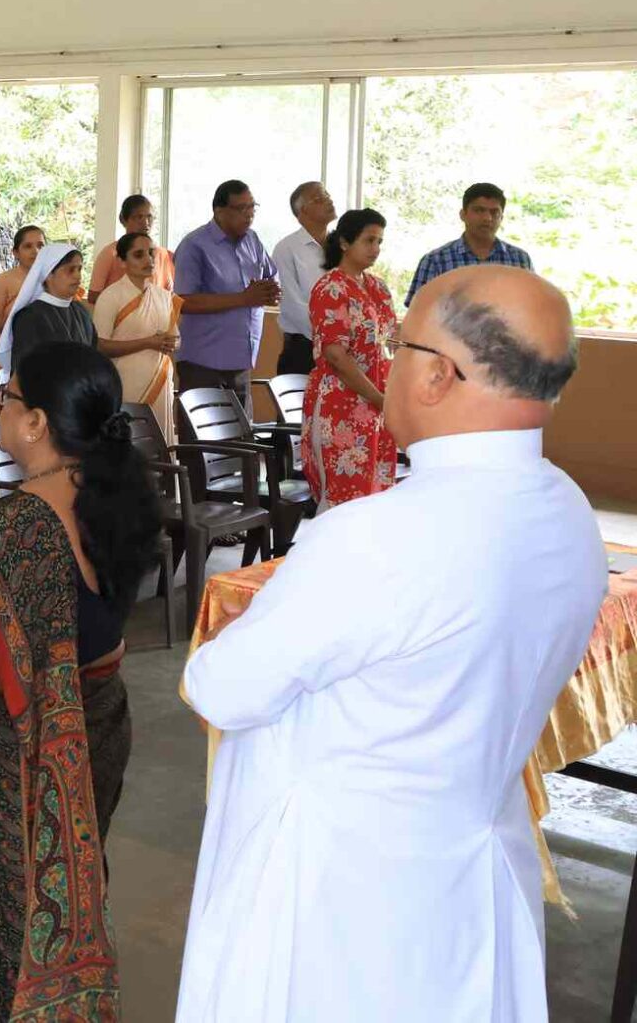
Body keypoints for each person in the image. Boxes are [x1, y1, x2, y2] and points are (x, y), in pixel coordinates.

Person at [177, 265, 596, 1023]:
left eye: (396, 344)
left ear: (437, 374)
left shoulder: (377, 536)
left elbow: (222, 686)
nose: (383, 361)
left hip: (344, 899)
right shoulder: (567, 510)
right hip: (474, 870)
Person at [0, 341, 159, 1018]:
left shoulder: (17, 526)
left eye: (6, 399)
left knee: (8, 910)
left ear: (35, 423)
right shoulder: (115, 492)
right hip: (104, 721)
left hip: (23, 757)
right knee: (76, 870)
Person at [304, 207, 397, 510]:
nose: (376, 249)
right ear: (345, 242)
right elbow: (337, 356)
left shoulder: (377, 287)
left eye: (380, 242)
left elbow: (390, 340)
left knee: (376, 493)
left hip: (377, 403)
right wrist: (378, 397)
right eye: (369, 241)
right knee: (344, 499)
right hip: (342, 404)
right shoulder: (331, 287)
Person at [174, 180, 280, 406]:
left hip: (241, 359)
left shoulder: (252, 240)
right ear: (219, 211)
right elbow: (184, 301)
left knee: (241, 438)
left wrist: (271, 291)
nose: (249, 214)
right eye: (242, 208)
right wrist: (243, 299)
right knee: (203, 439)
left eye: (252, 207)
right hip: (203, 362)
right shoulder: (194, 245)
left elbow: (271, 275)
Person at [93, 230, 183, 445]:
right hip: (125, 382)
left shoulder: (163, 296)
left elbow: (176, 339)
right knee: (131, 443)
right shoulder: (111, 296)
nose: (148, 260)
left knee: (161, 444)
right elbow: (100, 345)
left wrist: (170, 342)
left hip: (160, 381)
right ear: (122, 262)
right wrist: (148, 342)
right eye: (138, 255)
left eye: (151, 253)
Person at [405, 181, 535, 306]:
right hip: (449, 329)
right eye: (479, 210)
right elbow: (418, 312)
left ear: (501, 217)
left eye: (494, 212)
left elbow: (532, 306)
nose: (487, 218)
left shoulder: (520, 260)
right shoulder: (436, 261)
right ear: (463, 214)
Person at [269, 181, 336, 377]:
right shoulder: (287, 248)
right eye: (319, 198)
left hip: (341, 347)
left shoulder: (341, 246)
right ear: (302, 212)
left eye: (327, 195)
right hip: (304, 348)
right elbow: (292, 305)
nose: (328, 200)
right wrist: (330, 336)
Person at [0, 243, 98, 375]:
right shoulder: (30, 317)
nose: (77, 276)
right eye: (70, 270)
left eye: (79, 269)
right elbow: (27, 370)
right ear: (48, 274)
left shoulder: (81, 311)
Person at [87, 194, 176, 297]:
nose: (146, 223)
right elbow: (93, 295)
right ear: (123, 220)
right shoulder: (111, 253)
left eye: (149, 217)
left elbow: (171, 297)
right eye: (139, 217)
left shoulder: (164, 255)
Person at [0, 225, 46, 334]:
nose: (36, 251)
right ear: (16, 253)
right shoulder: (3, 281)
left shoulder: (55, 279)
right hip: (13, 347)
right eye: (28, 246)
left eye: (40, 245)